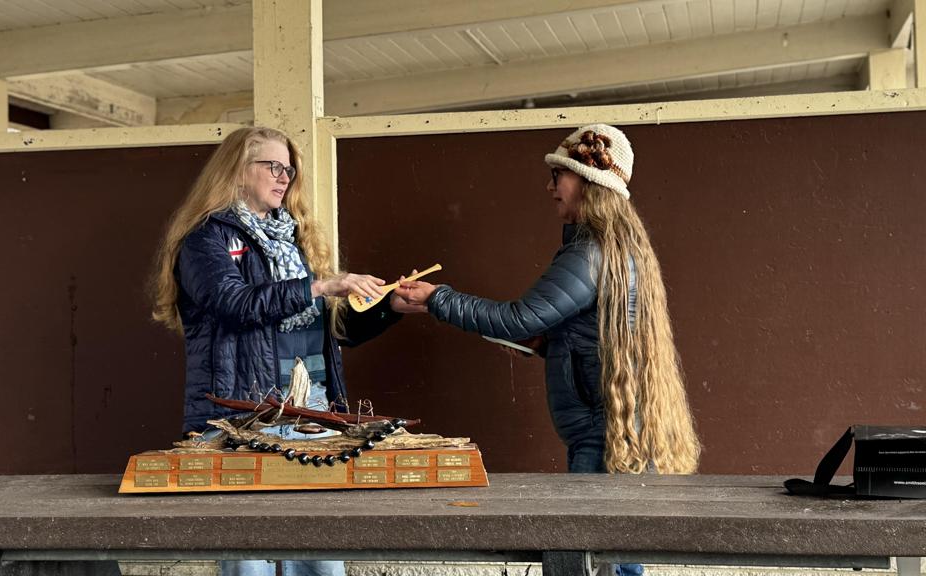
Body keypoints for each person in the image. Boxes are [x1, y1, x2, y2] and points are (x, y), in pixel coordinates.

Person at [396, 124, 700, 574]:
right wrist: (547, 344)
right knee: (619, 562)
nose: (550, 186)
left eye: (559, 174)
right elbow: (591, 336)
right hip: (621, 434)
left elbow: (520, 318)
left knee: (593, 562)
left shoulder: (588, 253)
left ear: (588, 182)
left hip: (599, 441)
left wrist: (437, 298)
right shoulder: (622, 249)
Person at [151, 126, 420, 576]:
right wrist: (320, 285)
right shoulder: (205, 239)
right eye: (273, 166)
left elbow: (334, 331)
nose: (284, 178)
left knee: (321, 561)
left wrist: (389, 307)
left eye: (289, 170)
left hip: (313, 417)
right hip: (241, 422)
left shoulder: (298, 240)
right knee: (248, 563)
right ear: (237, 170)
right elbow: (234, 304)